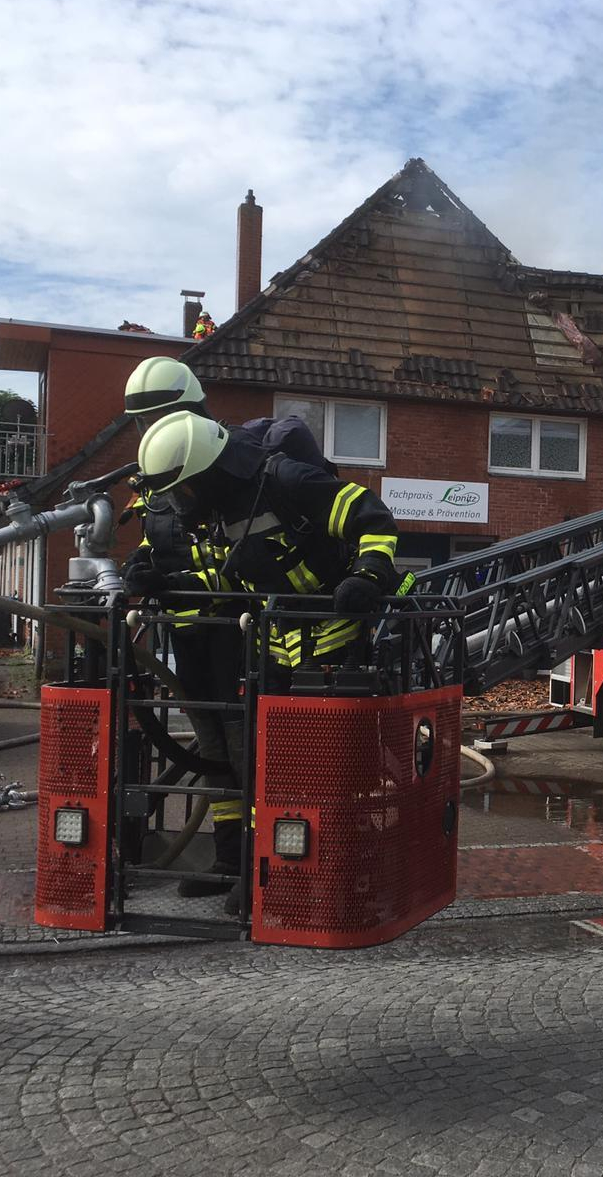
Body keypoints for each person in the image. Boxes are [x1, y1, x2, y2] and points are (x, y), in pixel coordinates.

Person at [135, 412, 400, 912]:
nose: (179, 506)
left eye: (182, 493)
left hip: (334, 637)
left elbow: (371, 515)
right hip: (277, 645)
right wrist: (169, 585)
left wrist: (368, 574)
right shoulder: (222, 510)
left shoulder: (286, 479)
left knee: (322, 765)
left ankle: (323, 869)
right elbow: (232, 579)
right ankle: (268, 867)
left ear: (206, 473)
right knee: (269, 763)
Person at [118, 356, 334, 899]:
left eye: (158, 416)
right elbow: (156, 540)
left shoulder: (219, 469)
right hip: (186, 636)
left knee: (247, 750)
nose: (151, 429)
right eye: (142, 421)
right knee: (213, 752)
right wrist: (139, 566)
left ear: (192, 411)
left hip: (235, 633)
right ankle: (228, 858)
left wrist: (180, 581)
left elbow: (228, 561)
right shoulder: (161, 478)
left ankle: (261, 865)